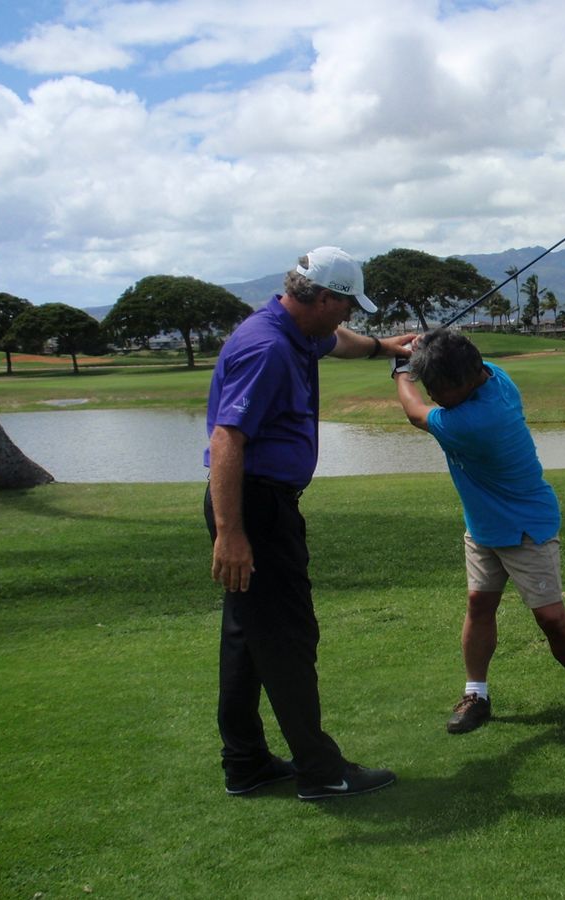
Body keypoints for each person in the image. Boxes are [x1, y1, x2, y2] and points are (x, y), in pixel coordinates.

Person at [204, 246, 415, 800]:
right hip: (255, 507)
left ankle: (245, 763)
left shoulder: (295, 329)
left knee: (246, 637)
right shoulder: (268, 347)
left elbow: (336, 341)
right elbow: (227, 438)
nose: (349, 315)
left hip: (259, 502)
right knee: (289, 637)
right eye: (346, 304)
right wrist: (231, 532)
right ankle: (321, 772)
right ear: (323, 297)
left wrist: (382, 348)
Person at [392, 328, 565, 733]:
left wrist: (401, 369)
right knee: (479, 606)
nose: (435, 395)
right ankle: (476, 693)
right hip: (483, 526)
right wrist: (432, 348)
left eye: (438, 386)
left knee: (551, 618)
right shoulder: (492, 373)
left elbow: (414, 412)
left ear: (463, 380)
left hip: (526, 525)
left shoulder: (475, 421)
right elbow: (454, 361)